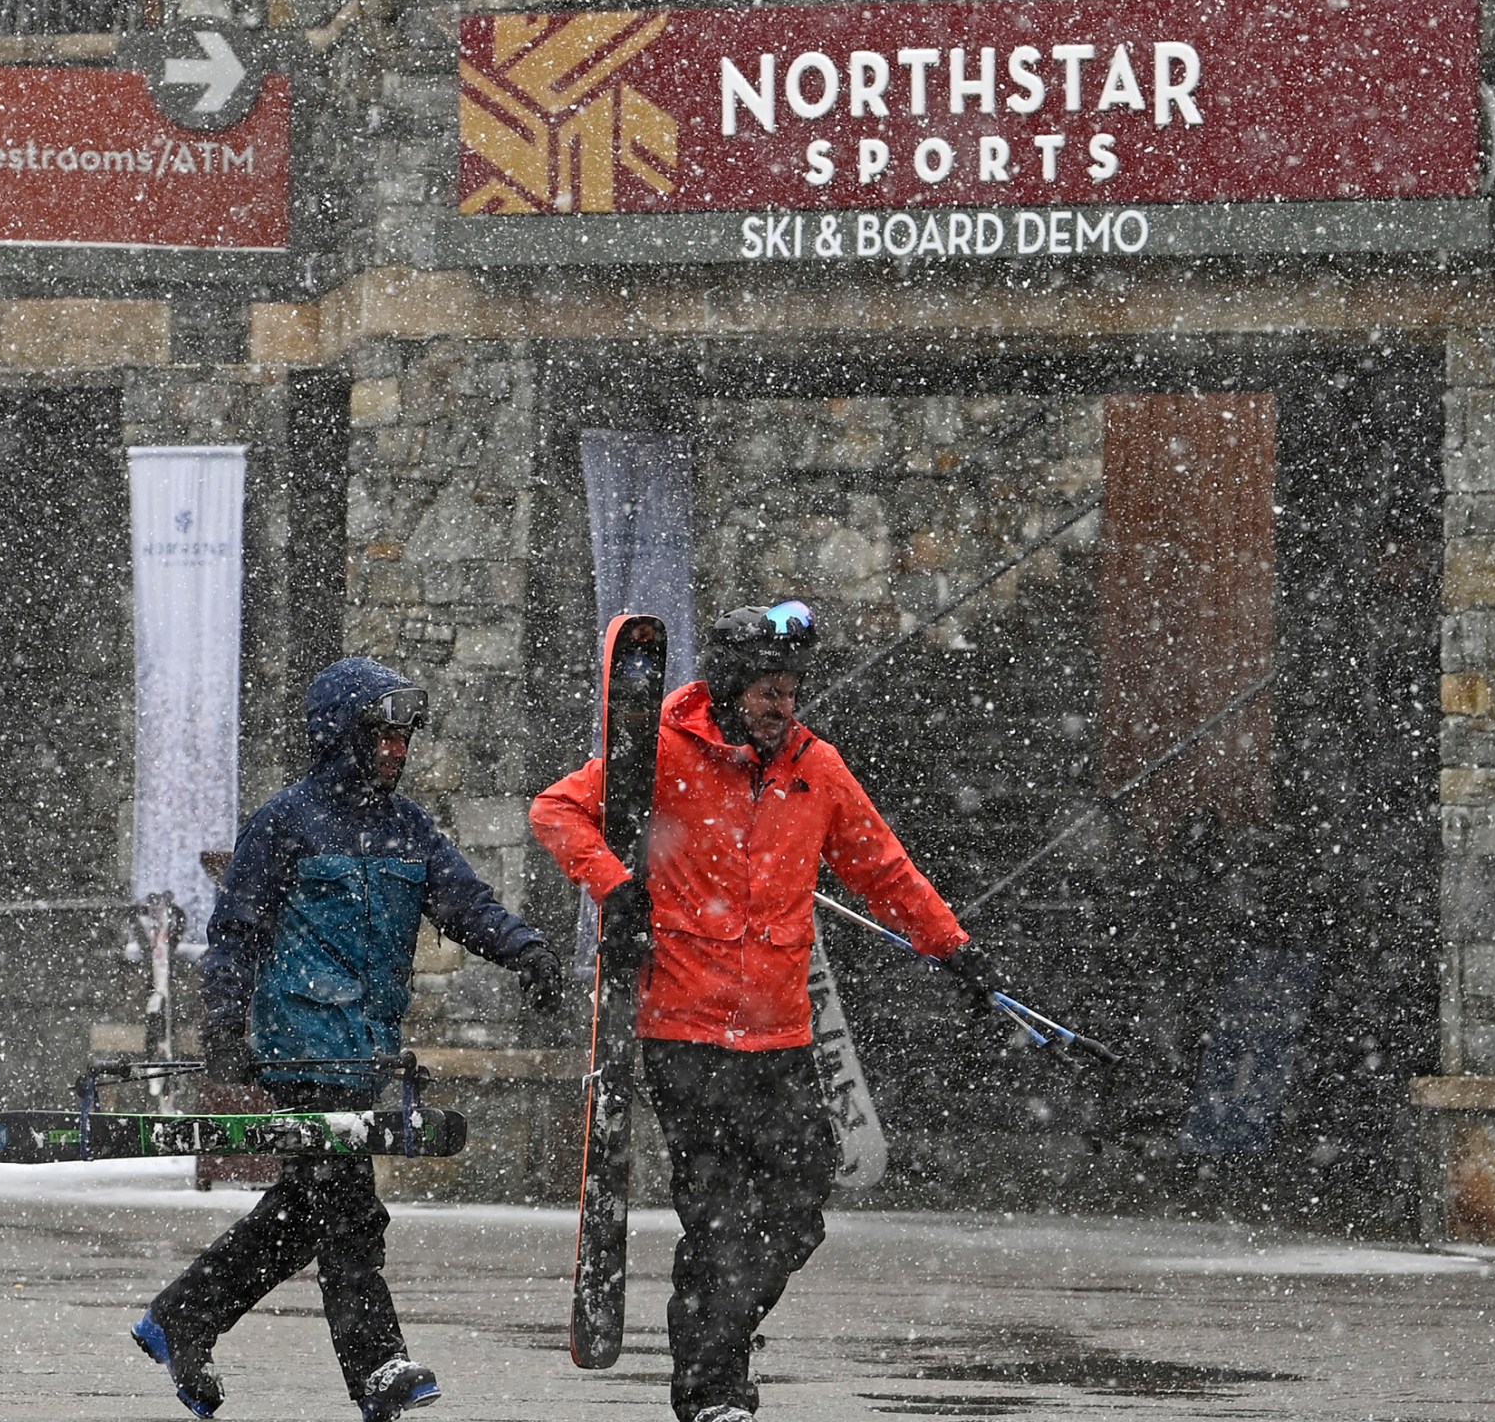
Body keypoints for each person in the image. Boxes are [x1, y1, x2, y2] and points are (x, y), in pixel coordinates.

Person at [531, 601, 1007, 1422]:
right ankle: (713, 1390)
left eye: (791, 689)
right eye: (766, 689)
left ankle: (715, 1340)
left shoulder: (815, 768)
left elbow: (883, 870)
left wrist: (951, 947)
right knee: (716, 1215)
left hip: (781, 1033)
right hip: (683, 1027)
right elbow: (556, 811)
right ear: (728, 685)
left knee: (796, 1209)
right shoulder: (659, 753)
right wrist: (616, 888)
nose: (782, 705)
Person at [134, 657, 569, 1422]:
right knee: (349, 1211)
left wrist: (526, 950)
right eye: (384, 738)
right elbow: (234, 933)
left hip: (363, 1051)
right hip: (301, 1046)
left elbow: (466, 903)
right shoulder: (287, 823)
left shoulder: (410, 830)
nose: (398, 753)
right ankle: (379, 1369)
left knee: (303, 1211)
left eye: (405, 740)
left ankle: (183, 1318)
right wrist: (226, 1026)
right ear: (342, 737)